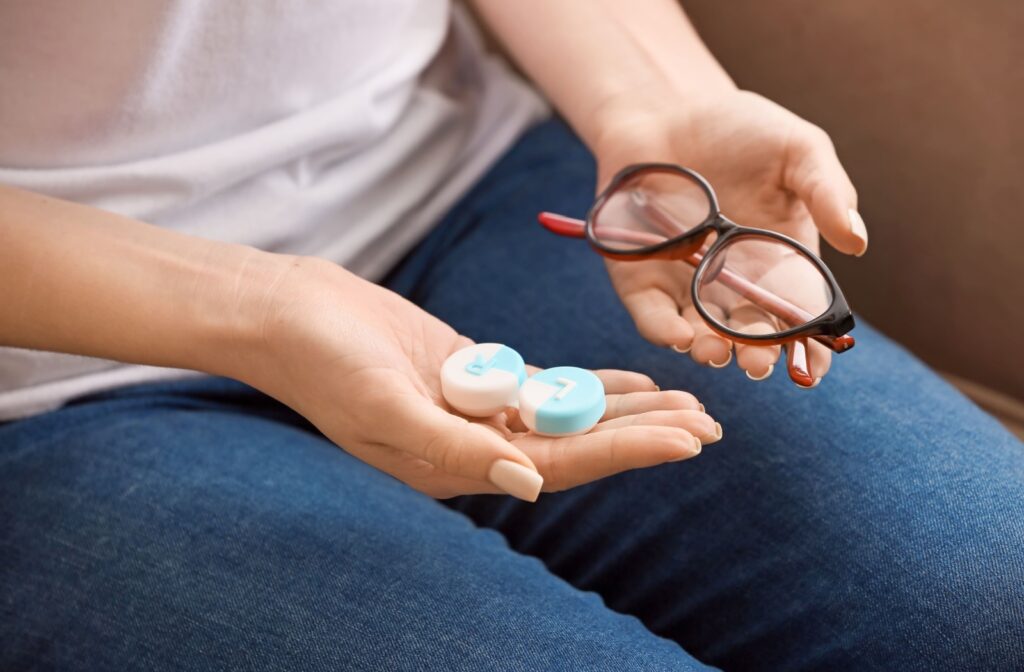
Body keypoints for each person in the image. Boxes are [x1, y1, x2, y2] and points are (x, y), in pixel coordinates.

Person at [1, 1, 1021, 670]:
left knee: (991, 602)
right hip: (48, 379)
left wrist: (658, 109)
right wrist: (261, 310)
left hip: (459, 178)